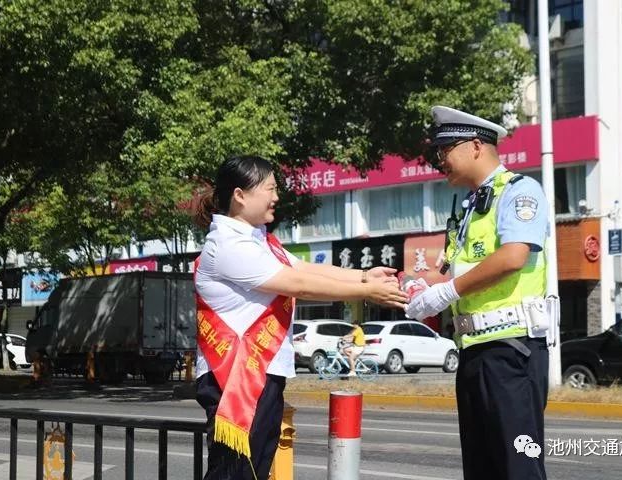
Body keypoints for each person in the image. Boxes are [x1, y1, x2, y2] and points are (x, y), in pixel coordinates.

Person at [193, 155, 409, 480]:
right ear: (240, 195)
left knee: (252, 472)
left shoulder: (260, 241)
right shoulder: (226, 245)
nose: (276, 197)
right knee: (233, 474)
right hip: (236, 378)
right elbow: (300, 285)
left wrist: (364, 277)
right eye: (269, 189)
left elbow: (308, 269)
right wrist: (367, 292)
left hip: (261, 376)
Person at [405, 106, 553, 480]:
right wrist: (424, 290)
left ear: (475, 146)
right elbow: (457, 271)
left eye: (446, 150)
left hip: (511, 349)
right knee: (482, 467)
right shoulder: (470, 207)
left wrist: (447, 291)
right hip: (474, 351)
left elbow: (513, 256)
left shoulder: (520, 191)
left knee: (517, 467)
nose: (441, 161)